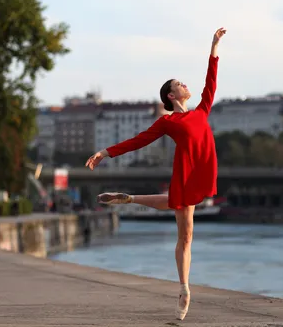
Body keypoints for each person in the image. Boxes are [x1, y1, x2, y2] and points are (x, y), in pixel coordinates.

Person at [84, 27, 227, 320]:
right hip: (187, 172)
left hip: (204, 169)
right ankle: (185, 288)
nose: (186, 86)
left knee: (177, 208)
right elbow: (138, 140)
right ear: (171, 95)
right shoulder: (168, 122)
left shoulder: (201, 111)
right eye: (180, 84)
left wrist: (213, 47)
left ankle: (130, 198)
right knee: (185, 236)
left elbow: (211, 81)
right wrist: (105, 152)